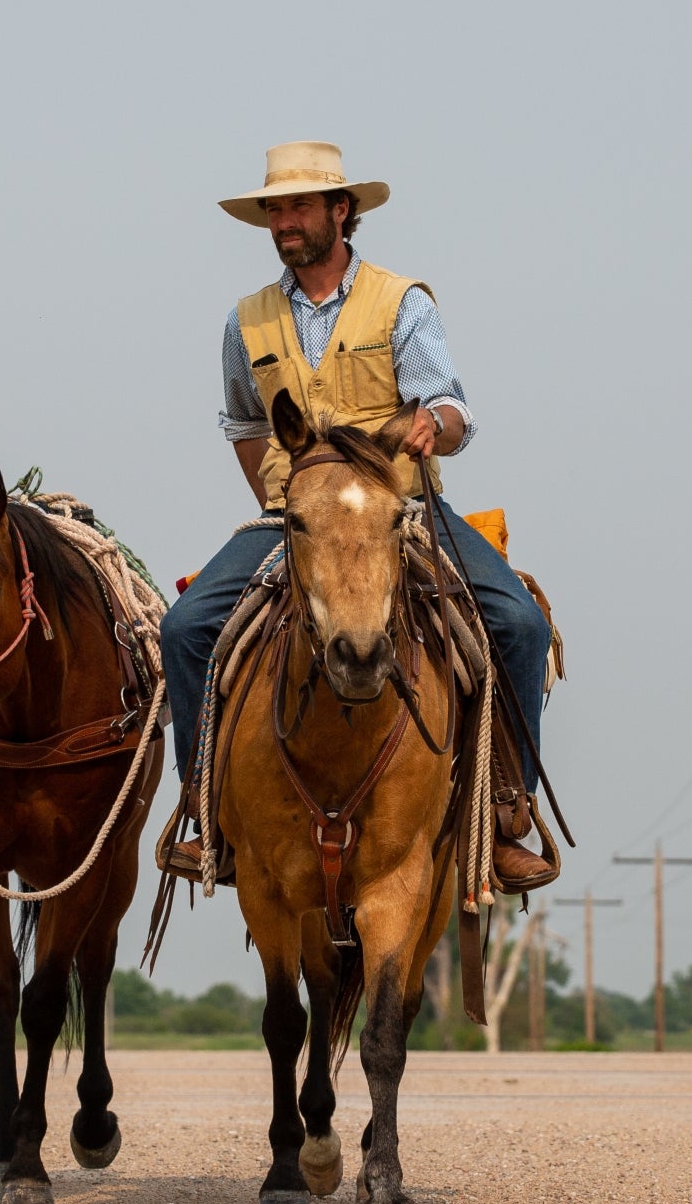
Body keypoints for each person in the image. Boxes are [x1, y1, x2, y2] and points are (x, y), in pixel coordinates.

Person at [158, 140, 556, 894]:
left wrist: (430, 429)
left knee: (519, 625)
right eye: (275, 209)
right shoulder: (246, 322)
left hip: (401, 509)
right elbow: (245, 425)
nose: (285, 222)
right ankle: (205, 809)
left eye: (299, 206)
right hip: (296, 519)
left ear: (342, 212)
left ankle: (506, 812)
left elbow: (452, 407)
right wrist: (286, 507)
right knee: (183, 630)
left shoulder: (401, 302)